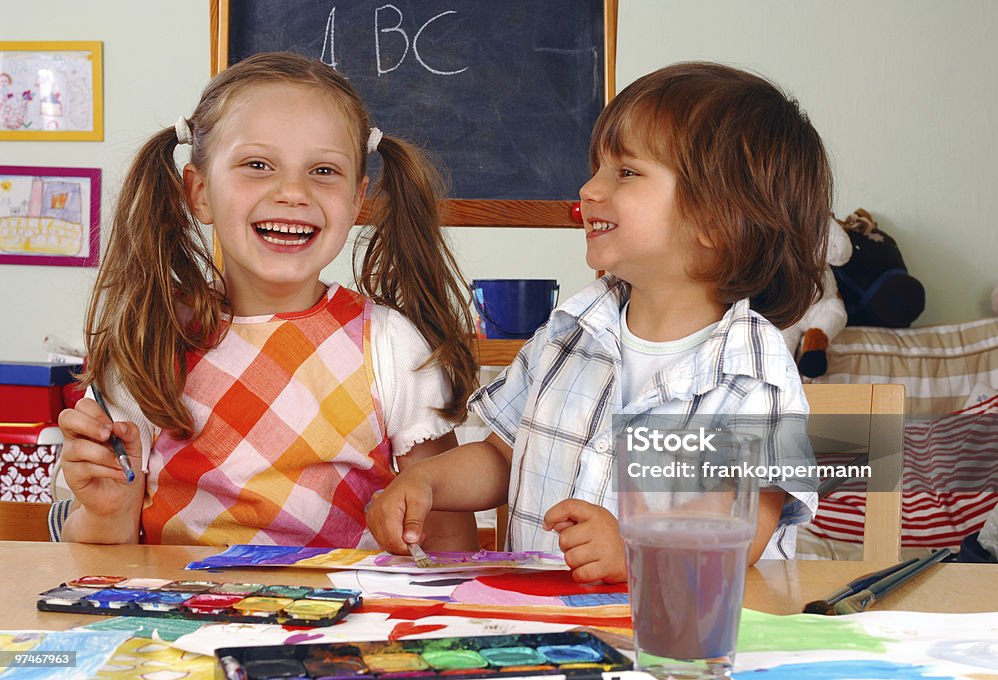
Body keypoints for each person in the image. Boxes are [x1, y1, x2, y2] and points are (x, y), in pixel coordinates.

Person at [367, 62, 832, 582]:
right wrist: (427, 482)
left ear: (717, 221)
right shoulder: (565, 334)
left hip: (683, 642)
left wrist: (635, 550)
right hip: (548, 633)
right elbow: (502, 454)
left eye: (626, 172)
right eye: (597, 168)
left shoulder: (754, 370)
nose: (589, 189)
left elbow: (743, 520)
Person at [53, 52, 479, 549]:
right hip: (178, 622)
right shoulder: (150, 343)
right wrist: (109, 512)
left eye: (323, 170)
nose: (293, 192)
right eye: (257, 165)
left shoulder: (392, 347)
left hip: (342, 625)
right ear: (200, 193)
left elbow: (449, 545)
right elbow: (100, 553)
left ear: (358, 199)